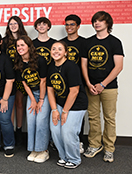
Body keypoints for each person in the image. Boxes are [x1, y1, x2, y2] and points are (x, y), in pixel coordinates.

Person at [82, 11, 124, 163]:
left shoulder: (115, 42)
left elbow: (118, 66)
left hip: (109, 87)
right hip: (91, 86)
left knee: (109, 118)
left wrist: (103, 84)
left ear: (108, 23)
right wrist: (88, 83)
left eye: (100, 21)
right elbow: (84, 65)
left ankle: (109, 148)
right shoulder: (87, 42)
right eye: (95, 21)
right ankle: (94, 145)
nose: (97, 23)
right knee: (93, 117)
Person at [47, 41, 88, 169]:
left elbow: (74, 91)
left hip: (76, 104)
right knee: (55, 129)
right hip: (60, 103)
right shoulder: (51, 67)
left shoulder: (71, 66)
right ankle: (64, 156)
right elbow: (50, 90)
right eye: (53, 49)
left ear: (66, 52)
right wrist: (54, 110)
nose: (56, 51)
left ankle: (74, 159)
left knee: (68, 131)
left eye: (60, 49)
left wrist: (64, 112)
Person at [14, 35, 50, 163]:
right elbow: (24, 83)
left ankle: (43, 150)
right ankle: (34, 149)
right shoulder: (18, 62)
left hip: (43, 93)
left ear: (29, 46)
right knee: (31, 120)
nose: (20, 48)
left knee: (41, 121)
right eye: (18, 46)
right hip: (31, 93)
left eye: (22, 45)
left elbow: (43, 81)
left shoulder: (40, 60)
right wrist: (32, 100)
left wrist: (40, 100)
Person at [60, 14, 87, 153]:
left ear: (78, 26)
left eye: (72, 24)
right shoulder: (61, 43)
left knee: (77, 116)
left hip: (79, 84)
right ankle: (66, 141)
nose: (69, 27)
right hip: (63, 86)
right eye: (67, 24)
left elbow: (85, 65)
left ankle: (79, 141)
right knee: (65, 113)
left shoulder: (84, 43)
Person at [2, 15, 28, 145]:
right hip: (8, 76)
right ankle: (10, 131)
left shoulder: (25, 39)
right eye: (10, 24)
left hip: (21, 74)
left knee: (19, 103)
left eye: (15, 23)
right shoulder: (4, 41)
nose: (13, 26)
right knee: (10, 104)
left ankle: (19, 129)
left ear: (19, 25)